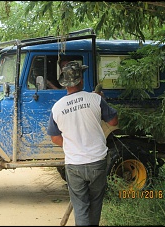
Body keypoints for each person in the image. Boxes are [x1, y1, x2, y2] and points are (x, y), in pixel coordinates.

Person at [47, 61, 118, 226]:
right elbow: (113, 121)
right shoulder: (95, 99)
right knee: (95, 204)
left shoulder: (57, 108)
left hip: (75, 165)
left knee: (81, 208)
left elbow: (55, 138)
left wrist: (73, 144)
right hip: (97, 163)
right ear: (80, 81)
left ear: (65, 83)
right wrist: (102, 101)